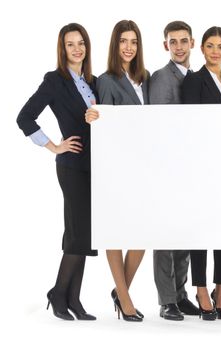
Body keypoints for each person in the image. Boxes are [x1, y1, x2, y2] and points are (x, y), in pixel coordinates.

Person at [16, 23, 98, 321]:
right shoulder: (55, 80)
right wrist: (54, 146)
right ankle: (58, 292)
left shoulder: (93, 81)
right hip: (72, 166)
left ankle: (73, 298)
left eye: (81, 43)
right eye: (70, 44)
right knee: (79, 233)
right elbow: (24, 117)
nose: (76, 49)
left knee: (85, 234)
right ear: (62, 49)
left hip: (94, 168)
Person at [85, 19, 150, 322]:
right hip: (116, 165)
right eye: (123, 41)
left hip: (144, 164)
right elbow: (104, 125)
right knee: (115, 231)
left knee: (142, 234)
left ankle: (120, 290)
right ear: (115, 45)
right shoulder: (107, 79)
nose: (128, 47)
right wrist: (93, 116)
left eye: (133, 42)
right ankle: (124, 299)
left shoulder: (145, 78)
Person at [180, 26, 221, 321]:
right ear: (201, 48)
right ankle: (201, 288)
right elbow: (191, 123)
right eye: (210, 46)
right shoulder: (194, 81)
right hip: (201, 165)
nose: (216, 51)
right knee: (201, 227)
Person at [148, 20, 200, 321]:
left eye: (184, 41)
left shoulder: (195, 77)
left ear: (191, 43)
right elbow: (158, 126)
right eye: (173, 41)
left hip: (191, 168)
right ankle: (167, 300)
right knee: (165, 236)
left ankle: (180, 295)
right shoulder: (160, 78)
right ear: (165, 45)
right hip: (167, 166)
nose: (179, 46)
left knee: (185, 234)